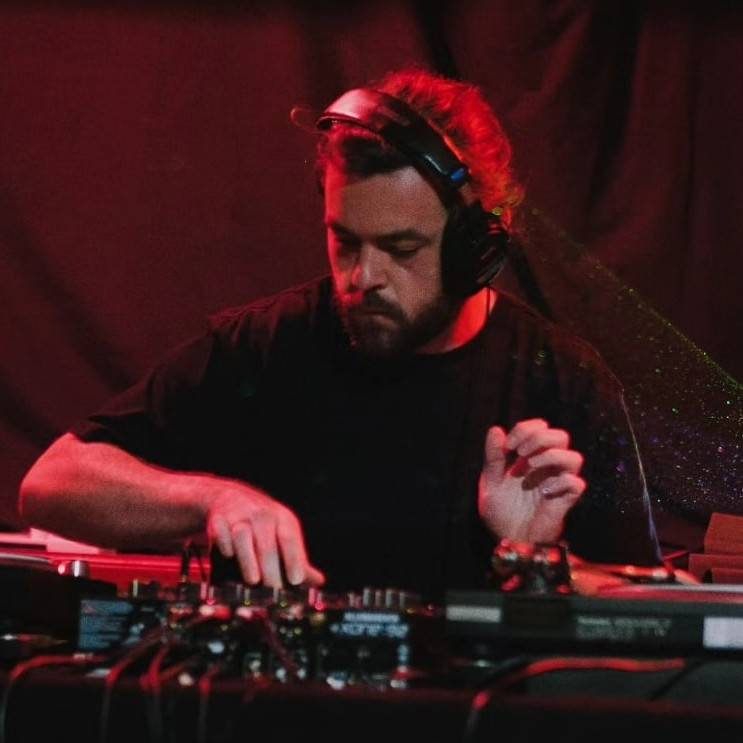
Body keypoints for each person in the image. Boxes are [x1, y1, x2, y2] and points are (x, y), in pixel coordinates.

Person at [18, 69, 660, 600]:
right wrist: (212, 499)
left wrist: (530, 556)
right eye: (345, 241)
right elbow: (51, 484)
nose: (363, 277)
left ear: (479, 247)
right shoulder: (262, 350)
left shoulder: (565, 381)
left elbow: (647, 605)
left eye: (401, 248)